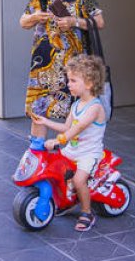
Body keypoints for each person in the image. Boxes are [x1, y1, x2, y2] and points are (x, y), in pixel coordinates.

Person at [19, 0, 105, 138]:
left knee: (76, 116)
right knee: (37, 112)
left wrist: (73, 21)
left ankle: (73, 159)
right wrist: (34, 17)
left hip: (74, 66)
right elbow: (22, 21)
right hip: (42, 65)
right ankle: (37, 157)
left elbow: (99, 21)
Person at [34, 54, 108, 232]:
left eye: (73, 80)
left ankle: (86, 212)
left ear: (89, 83)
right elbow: (66, 126)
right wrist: (45, 122)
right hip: (72, 150)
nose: (69, 84)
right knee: (54, 170)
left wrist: (59, 140)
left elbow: (78, 128)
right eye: (69, 80)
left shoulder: (95, 108)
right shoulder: (76, 106)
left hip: (88, 154)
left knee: (78, 179)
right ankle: (66, 200)